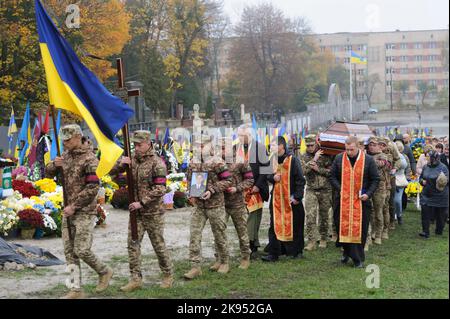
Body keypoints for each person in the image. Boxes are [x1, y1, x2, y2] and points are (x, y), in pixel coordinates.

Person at [45, 124, 113, 299]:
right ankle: (75, 289)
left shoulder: (90, 159)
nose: (65, 143)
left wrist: (74, 205)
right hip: (68, 212)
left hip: (84, 211)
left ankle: (104, 271)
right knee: (69, 251)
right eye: (63, 140)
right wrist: (54, 164)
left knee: (82, 249)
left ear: (78, 137)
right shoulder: (65, 156)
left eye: (68, 140)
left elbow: (92, 188)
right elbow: (48, 173)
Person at [110, 131, 174, 292]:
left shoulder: (157, 163)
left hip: (153, 212)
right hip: (136, 214)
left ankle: (167, 274)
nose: (137, 148)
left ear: (148, 143)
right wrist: (121, 165)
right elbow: (112, 173)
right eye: (135, 145)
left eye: (140, 144)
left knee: (158, 245)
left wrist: (142, 202)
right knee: (132, 245)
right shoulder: (131, 160)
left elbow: (160, 188)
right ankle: (135, 279)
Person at [184, 134, 233, 279]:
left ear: (209, 146)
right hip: (199, 206)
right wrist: (190, 193)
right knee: (194, 235)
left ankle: (224, 261)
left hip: (215, 205)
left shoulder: (217, 162)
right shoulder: (193, 162)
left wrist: (211, 190)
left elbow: (228, 180)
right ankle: (195, 266)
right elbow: (189, 179)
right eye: (196, 146)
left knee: (219, 234)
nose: (198, 148)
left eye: (202, 145)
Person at [330, 136, 380, 268]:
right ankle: (346, 252)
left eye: (351, 149)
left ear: (358, 147)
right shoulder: (339, 158)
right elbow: (332, 176)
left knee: (360, 229)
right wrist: (340, 188)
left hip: (361, 201)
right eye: (347, 149)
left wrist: (368, 194)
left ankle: (358, 259)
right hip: (342, 201)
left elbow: (375, 179)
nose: (349, 152)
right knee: (342, 226)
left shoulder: (367, 160)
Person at [211, 137, 254, 270]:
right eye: (220, 148)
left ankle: (245, 257)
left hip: (237, 203)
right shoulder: (216, 163)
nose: (222, 151)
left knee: (242, 232)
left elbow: (250, 180)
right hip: (220, 204)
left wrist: (237, 188)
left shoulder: (241, 162)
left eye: (225, 148)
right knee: (219, 232)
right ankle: (219, 258)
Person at [262, 137, 306, 261]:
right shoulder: (272, 159)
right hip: (276, 199)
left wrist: (298, 197)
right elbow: (267, 176)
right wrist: (273, 177)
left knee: (295, 225)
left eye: (273, 145)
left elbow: (300, 180)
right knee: (274, 224)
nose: (271, 147)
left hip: (291, 199)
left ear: (281, 146)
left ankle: (297, 251)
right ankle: (274, 253)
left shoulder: (293, 160)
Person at [236, 124, 269, 259]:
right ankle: (252, 243)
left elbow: (266, 169)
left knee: (253, 218)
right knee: (245, 218)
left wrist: (258, 185)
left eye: (241, 136)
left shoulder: (259, 148)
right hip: (242, 189)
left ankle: (252, 246)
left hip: (256, 189)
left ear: (249, 135)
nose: (239, 138)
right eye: (238, 136)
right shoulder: (237, 148)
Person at [300, 134, 333, 250]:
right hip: (311, 189)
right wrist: (313, 160)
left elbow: (331, 172)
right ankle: (311, 241)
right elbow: (303, 171)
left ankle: (323, 238)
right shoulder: (303, 156)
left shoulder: (325, 155)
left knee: (324, 216)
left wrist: (318, 169)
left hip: (325, 189)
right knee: (310, 216)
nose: (309, 148)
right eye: (307, 145)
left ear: (316, 143)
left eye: (312, 145)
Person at [419, 150, 449, 238]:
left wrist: (442, 180)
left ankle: (439, 230)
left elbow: (447, 180)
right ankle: (425, 232)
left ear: (434, 158)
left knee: (441, 216)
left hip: (440, 195)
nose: (427, 158)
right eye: (426, 156)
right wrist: (422, 181)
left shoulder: (443, 167)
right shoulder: (425, 167)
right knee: (425, 213)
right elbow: (421, 178)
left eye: (428, 157)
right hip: (427, 194)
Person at [367, 137, 390, 246]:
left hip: (380, 187)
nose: (371, 147)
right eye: (370, 145)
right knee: (370, 211)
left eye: (374, 145)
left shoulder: (383, 156)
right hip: (369, 186)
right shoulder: (367, 155)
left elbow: (383, 164)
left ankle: (379, 234)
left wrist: (367, 159)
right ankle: (371, 232)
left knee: (378, 211)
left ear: (379, 146)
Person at [393, 141, 410, 225]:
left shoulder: (403, 157)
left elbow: (405, 166)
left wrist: (398, 156)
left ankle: (399, 215)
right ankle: (392, 216)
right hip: (390, 180)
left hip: (400, 181)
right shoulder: (390, 156)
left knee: (397, 200)